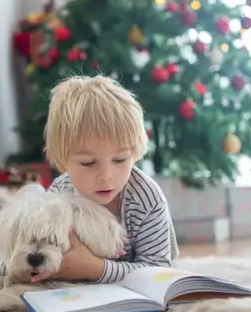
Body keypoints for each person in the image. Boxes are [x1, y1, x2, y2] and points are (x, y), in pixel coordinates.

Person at [33, 74, 179, 284]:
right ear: (63, 160)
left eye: (120, 159)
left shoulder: (146, 198)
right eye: (88, 163)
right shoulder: (60, 192)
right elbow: (36, 246)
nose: (107, 176)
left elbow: (159, 270)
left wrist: (97, 269)